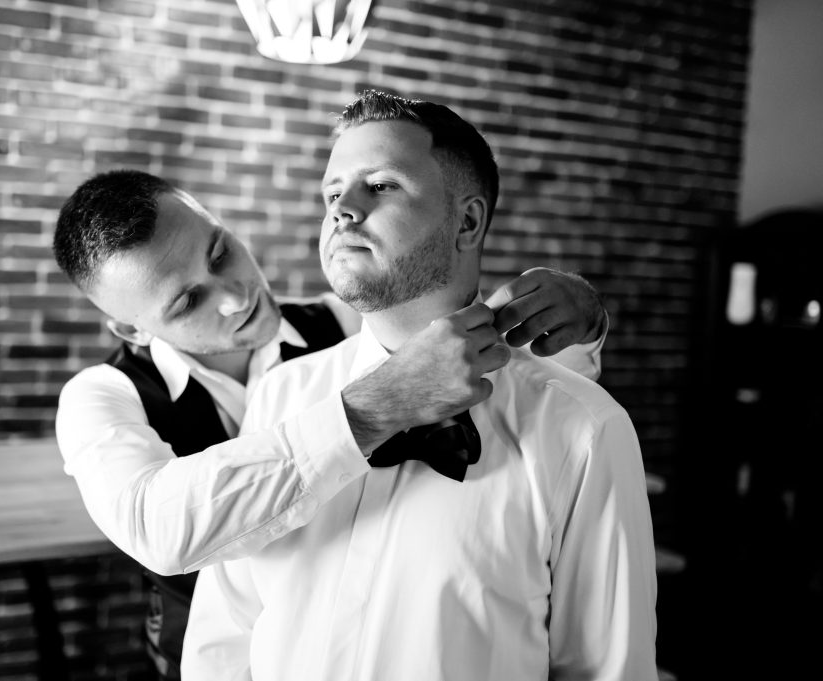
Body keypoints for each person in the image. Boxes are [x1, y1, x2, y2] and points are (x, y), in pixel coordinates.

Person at [53, 171, 608, 679]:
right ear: (131, 330)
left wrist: (578, 326)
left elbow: (513, 388)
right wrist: (378, 405)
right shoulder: (100, 396)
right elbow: (155, 527)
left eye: (220, 253)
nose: (236, 295)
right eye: (188, 300)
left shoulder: (344, 323)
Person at [181, 91, 656, 680]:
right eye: (332, 193)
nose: (342, 211)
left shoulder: (581, 428)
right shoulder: (281, 393)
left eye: (381, 185)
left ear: (467, 221)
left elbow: (608, 669)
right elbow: (225, 634)